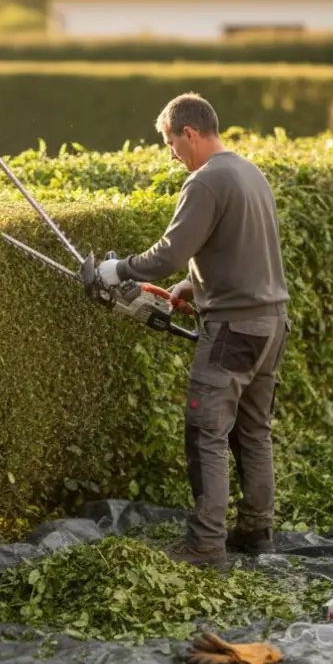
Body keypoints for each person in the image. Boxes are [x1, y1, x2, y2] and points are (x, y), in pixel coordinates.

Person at [94, 92, 290, 568]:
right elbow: (237, 247)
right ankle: (256, 533)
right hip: (271, 323)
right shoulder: (248, 172)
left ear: (190, 133)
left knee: (206, 432)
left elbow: (168, 252)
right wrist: (193, 286)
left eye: (170, 143)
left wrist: (115, 271)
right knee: (254, 431)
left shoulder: (205, 181)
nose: (171, 154)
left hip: (233, 331)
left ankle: (205, 547)